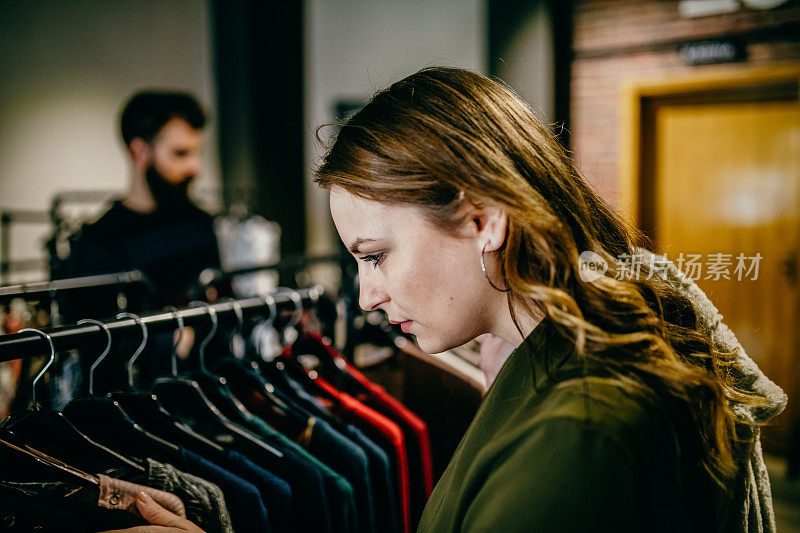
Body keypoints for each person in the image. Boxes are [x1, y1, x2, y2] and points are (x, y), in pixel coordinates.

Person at [313, 67, 783, 531]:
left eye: (374, 256)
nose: (367, 297)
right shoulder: (571, 354)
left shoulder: (578, 433)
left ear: (484, 220)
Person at [49, 91, 220, 394]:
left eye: (197, 153)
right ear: (140, 151)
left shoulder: (200, 224)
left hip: (210, 395)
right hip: (134, 409)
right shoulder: (99, 243)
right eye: (181, 154)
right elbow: (94, 352)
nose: (196, 167)